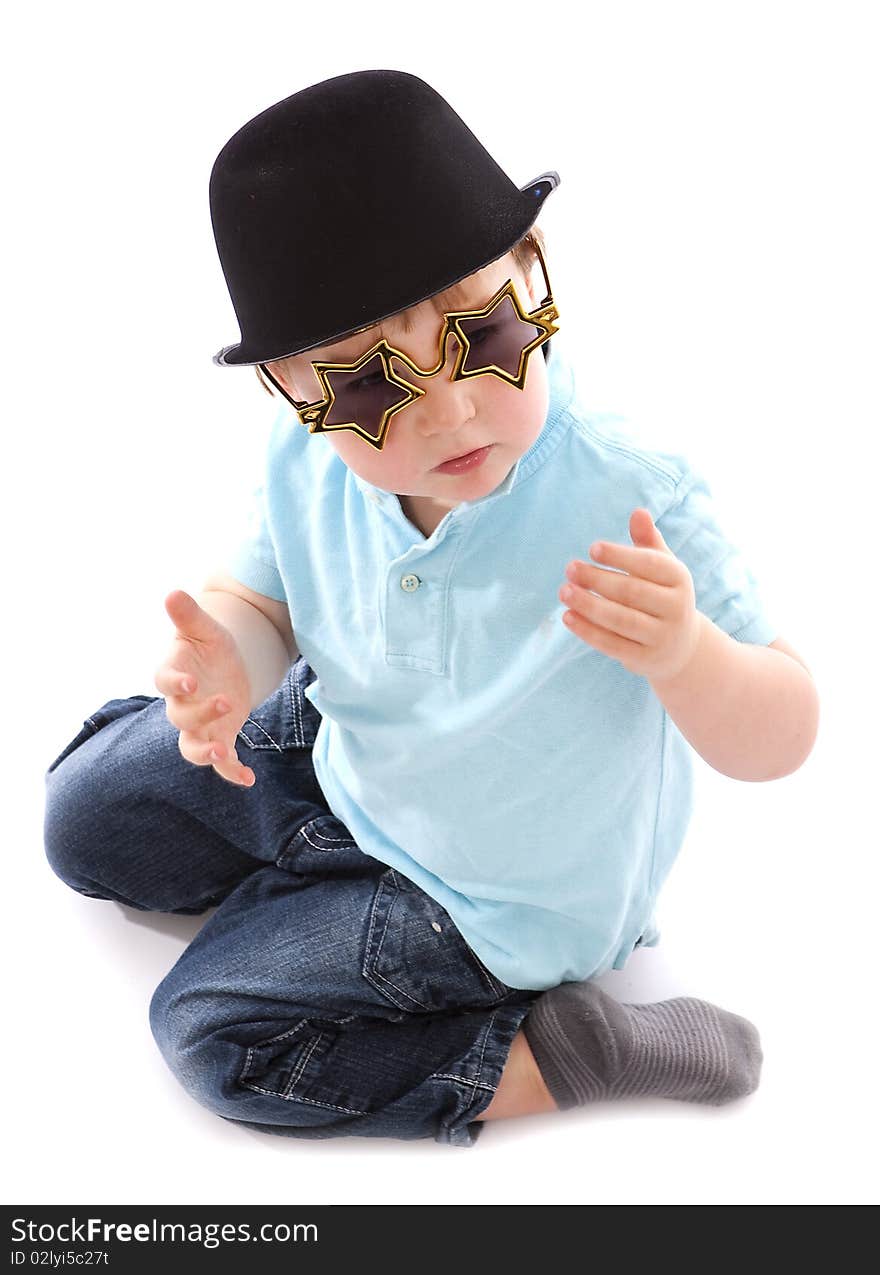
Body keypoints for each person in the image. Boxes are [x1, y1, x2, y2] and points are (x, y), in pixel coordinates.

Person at [43, 69, 819, 1148]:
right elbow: (258, 599)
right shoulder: (303, 456)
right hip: (351, 751)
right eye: (370, 386)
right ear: (295, 390)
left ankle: (565, 1056)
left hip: (495, 891)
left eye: (486, 338)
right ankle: (286, 858)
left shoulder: (623, 488)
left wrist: (686, 654)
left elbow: (784, 730)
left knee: (208, 1031)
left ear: (531, 277)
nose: (450, 410)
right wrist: (231, 664)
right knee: (81, 822)